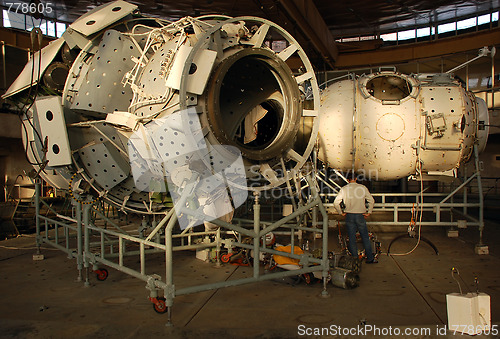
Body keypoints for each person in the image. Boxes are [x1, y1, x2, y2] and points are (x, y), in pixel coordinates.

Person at [334, 172, 377, 263]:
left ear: (347, 180)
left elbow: (336, 202)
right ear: (356, 179)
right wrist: (369, 212)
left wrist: (340, 212)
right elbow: (371, 200)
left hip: (349, 215)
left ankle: (355, 260)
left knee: (352, 238)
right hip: (360, 215)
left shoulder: (344, 189)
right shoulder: (362, 188)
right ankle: (370, 258)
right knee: (365, 237)